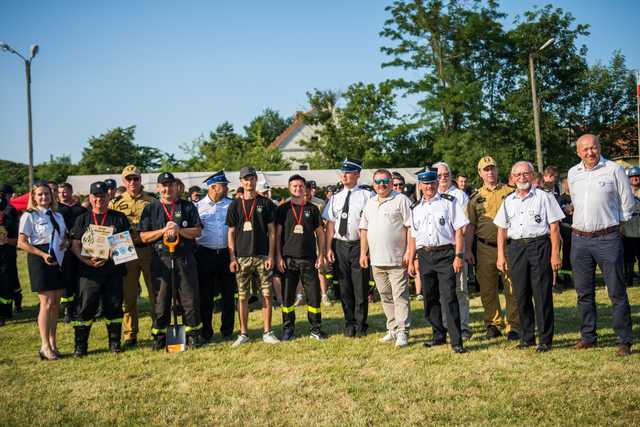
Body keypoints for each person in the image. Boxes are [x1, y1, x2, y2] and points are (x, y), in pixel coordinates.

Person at [568, 134, 635, 356]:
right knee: (583, 292)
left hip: (608, 238)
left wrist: (617, 225)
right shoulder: (573, 173)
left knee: (616, 291)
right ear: (578, 152)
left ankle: (624, 340)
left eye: (593, 148)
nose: (590, 152)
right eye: (585, 149)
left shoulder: (614, 170)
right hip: (580, 240)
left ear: (599, 148)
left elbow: (628, 204)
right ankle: (588, 336)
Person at [494, 161, 564, 352]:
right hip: (516, 248)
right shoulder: (508, 201)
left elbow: (555, 227)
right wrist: (501, 255)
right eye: (518, 175)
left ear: (533, 175)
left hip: (539, 245)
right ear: (512, 178)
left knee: (541, 294)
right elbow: (501, 229)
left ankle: (545, 339)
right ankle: (527, 337)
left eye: (526, 174)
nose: (522, 178)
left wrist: (555, 254)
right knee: (521, 294)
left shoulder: (544, 197)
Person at [140, 172, 205, 350]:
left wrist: (178, 230)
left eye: (170, 185)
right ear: (158, 188)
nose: (167, 188)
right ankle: (159, 336)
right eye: (164, 185)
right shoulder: (150, 208)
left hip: (184, 257)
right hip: (160, 259)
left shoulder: (188, 207)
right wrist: (163, 231)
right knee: (161, 300)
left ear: (176, 187)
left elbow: (198, 231)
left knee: (189, 298)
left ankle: (192, 334)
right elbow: (144, 237)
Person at [408, 167, 468, 353]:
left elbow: (459, 231)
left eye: (432, 182)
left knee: (449, 297)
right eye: (425, 183)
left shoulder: (449, 203)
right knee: (430, 297)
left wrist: (459, 256)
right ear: (420, 185)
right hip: (425, 256)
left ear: (437, 183)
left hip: (446, 255)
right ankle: (438, 335)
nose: (429, 186)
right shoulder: (415, 208)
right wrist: (411, 260)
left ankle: (456, 341)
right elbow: (413, 236)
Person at [70, 181, 131, 356]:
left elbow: (125, 245)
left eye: (102, 196)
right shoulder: (82, 218)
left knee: (114, 305)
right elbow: (74, 244)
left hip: (113, 270)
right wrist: (87, 261)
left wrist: (112, 252)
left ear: (108, 197)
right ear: (90, 198)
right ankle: (81, 346)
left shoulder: (119, 218)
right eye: (95, 197)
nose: (99, 200)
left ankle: (114, 343)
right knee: (86, 306)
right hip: (89, 270)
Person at [466, 156, 520, 340]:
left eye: (492, 168)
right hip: (484, 247)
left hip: (509, 246)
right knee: (487, 288)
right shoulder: (475, 198)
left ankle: (514, 325)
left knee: (511, 286)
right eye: (485, 169)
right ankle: (493, 323)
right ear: (480, 173)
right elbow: (471, 226)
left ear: (497, 170)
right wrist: (467, 250)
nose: (490, 172)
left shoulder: (511, 192)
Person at [226, 166, 279, 347]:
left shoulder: (265, 203)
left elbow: (272, 232)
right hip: (241, 258)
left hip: (262, 256)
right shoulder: (234, 205)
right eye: (246, 179)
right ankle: (243, 333)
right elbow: (231, 233)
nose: (249, 182)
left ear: (256, 180)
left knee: (266, 294)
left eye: (252, 178)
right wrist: (232, 258)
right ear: (241, 182)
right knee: (242, 297)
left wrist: (271, 255)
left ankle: (267, 331)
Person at [359, 169, 413, 348]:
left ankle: (403, 331)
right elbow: (364, 230)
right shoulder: (370, 202)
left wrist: (409, 253)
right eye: (377, 181)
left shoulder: (401, 199)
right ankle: (392, 328)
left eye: (385, 181)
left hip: (398, 259)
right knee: (385, 296)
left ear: (391, 182)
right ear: (373, 184)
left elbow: (410, 227)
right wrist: (363, 253)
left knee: (400, 297)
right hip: (376, 260)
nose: (381, 184)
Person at [17, 182, 67, 360]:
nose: (44, 197)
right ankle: (44, 346)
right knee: (46, 304)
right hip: (40, 259)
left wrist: (65, 242)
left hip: (58, 259)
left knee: (55, 303)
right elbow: (21, 242)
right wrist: (42, 254)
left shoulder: (57, 215)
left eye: (47, 194)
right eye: (40, 195)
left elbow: (64, 237)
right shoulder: (29, 216)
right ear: (34, 197)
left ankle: (53, 343)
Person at [324, 159, 374, 337]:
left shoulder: (367, 196)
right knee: (344, 287)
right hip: (340, 246)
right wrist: (328, 248)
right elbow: (331, 225)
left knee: (360, 286)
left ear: (357, 175)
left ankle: (361, 324)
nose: (344, 175)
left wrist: (366, 250)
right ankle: (349, 322)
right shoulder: (335, 198)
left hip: (359, 245)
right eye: (342, 172)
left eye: (348, 172)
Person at [275, 174, 327, 340]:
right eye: (294, 186)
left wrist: (322, 255)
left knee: (314, 296)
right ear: (289, 188)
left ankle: (315, 329)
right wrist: (278, 257)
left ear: (305, 188)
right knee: (288, 297)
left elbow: (320, 233)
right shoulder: (283, 209)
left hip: (309, 258)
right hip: (288, 259)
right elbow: (277, 234)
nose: (298, 189)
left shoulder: (312, 209)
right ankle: (288, 329)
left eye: (300, 186)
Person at [109, 165, 156, 348]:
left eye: (135, 178)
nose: (132, 182)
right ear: (124, 181)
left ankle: (157, 328)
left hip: (148, 249)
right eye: (129, 179)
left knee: (155, 293)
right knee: (128, 296)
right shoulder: (116, 202)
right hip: (125, 250)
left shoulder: (152, 201)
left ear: (140, 179)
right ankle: (130, 334)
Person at [195, 171, 236, 342]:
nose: (227, 188)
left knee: (228, 295)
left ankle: (227, 331)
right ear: (213, 187)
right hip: (205, 254)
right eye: (223, 185)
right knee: (206, 296)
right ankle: (206, 331)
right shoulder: (197, 206)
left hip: (226, 254)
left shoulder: (232, 204)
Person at [434, 161, 472, 340]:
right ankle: (445, 324)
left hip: (456, 248)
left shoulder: (460, 195)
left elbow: (464, 227)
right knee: (442, 291)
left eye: (446, 175)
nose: (442, 178)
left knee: (460, 290)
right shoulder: (429, 195)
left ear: (451, 176)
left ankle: (463, 326)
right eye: (439, 175)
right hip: (437, 252)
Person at [57, 182, 87, 323]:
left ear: (71, 192)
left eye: (65, 191)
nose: (62, 194)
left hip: (79, 247)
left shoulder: (80, 210)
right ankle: (68, 310)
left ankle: (79, 307)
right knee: (66, 278)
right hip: (63, 249)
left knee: (79, 277)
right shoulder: (56, 209)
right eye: (59, 192)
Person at [0, 184, 20, 325]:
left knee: (7, 279)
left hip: (7, 251)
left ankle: (5, 311)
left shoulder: (10, 210)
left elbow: (16, 235)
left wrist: (7, 239)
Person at [622, 166, 640, 287]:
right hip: (627, 229)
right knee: (628, 257)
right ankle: (628, 279)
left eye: (637, 176)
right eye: (632, 177)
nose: (635, 179)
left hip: (639, 229)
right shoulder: (624, 192)